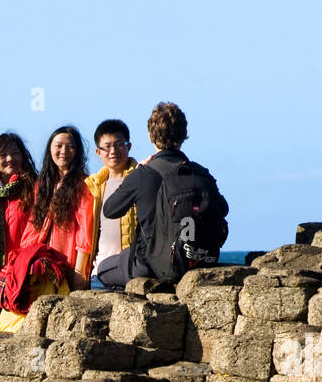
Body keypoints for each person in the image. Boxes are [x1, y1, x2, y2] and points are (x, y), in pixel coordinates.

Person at [97, 101, 229, 287]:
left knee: (103, 269)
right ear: (184, 135)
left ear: (151, 136)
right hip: (199, 259)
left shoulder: (143, 174)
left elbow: (110, 209)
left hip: (150, 265)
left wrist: (135, 172)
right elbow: (223, 209)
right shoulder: (201, 173)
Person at [0, 132, 38, 329]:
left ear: (23, 156)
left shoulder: (36, 190)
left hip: (26, 277)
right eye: (3, 155)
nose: (10, 159)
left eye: (14, 153)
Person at [21, 125, 93, 289]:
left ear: (78, 151)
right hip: (40, 262)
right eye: (58, 146)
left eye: (70, 146)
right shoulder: (43, 183)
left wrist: (79, 272)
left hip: (67, 262)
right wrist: (23, 259)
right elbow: (32, 225)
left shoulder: (83, 184)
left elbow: (84, 230)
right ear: (50, 149)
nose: (64, 151)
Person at [86, 119, 138, 286]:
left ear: (128, 147)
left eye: (119, 144)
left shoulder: (141, 179)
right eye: (107, 146)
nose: (113, 151)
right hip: (98, 274)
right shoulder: (93, 186)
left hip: (132, 272)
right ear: (98, 152)